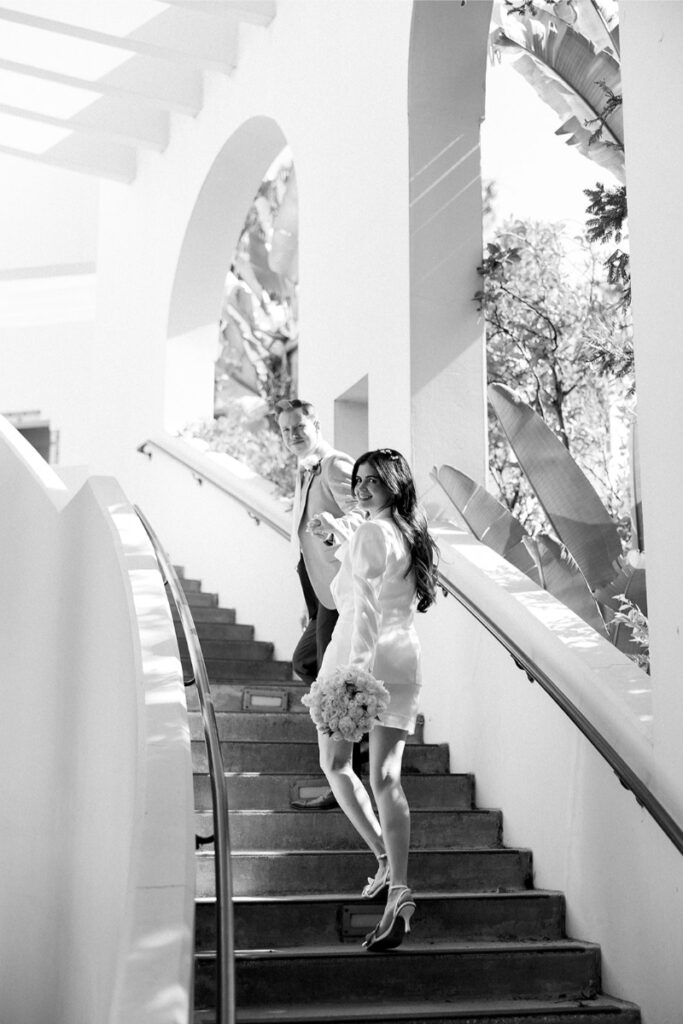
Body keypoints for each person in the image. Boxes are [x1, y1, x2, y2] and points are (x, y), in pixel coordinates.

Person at [308, 448, 438, 951]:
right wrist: (341, 539)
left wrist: (353, 675)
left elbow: (360, 606)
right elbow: (380, 580)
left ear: (393, 483)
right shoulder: (411, 533)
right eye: (357, 480)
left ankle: (383, 858)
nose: (361, 488)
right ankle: (399, 887)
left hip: (361, 658)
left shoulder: (369, 532)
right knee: (386, 777)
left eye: (372, 482)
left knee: (335, 763)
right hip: (404, 660)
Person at [277, 399, 363, 809]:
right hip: (319, 590)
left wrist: (334, 529)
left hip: (339, 589)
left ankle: (345, 769)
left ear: (316, 424)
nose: (292, 435)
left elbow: (364, 515)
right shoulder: (305, 469)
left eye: (299, 427)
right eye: (285, 430)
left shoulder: (333, 464)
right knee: (310, 665)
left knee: (323, 675)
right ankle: (344, 762)